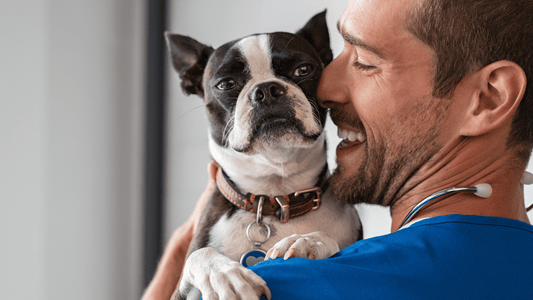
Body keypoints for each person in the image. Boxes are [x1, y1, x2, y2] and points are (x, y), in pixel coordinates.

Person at [143, 0, 533, 299]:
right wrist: (187, 244)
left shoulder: (275, 282)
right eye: (337, 55)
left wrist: (181, 254)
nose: (325, 89)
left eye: (363, 62)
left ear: (488, 99)